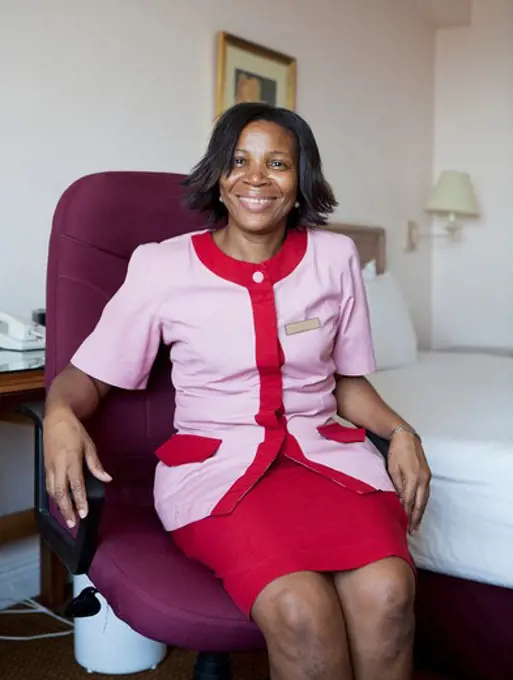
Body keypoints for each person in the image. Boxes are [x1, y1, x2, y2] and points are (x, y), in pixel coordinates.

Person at [43, 102, 431, 680]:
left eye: (278, 162)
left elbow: (345, 380)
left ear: (300, 183)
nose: (256, 176)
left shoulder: (335, 257)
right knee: (302, 611)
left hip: (328, 464)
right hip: (219, 475)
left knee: (390, 592)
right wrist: (58, 414)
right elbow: (89, 375)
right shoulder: (162, 267)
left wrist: (400, 431)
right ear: (218, 176)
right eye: (239, 160)